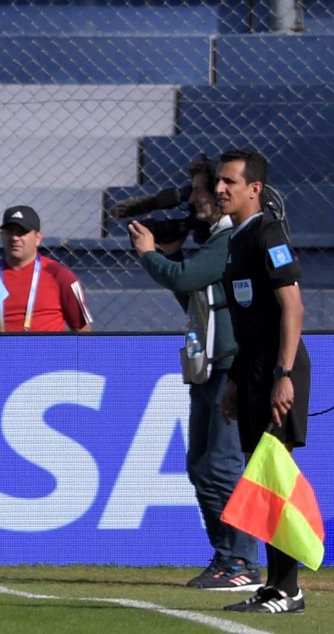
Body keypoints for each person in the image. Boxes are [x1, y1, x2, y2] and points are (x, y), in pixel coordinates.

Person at [128, 157, 261, 591]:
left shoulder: (229, 239)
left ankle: (242, 560)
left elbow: (187, 280)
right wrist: (171, 256)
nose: (197, 199)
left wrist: (151, 255)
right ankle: (225, 557)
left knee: (221, 466)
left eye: (200, 191)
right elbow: (196, 300)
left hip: (229, 366)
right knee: (200, 468)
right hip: (207, 364)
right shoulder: (215, 241)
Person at [214, 149, 312, 615]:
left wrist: (284, 374)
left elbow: (293, 308)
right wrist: (235, 379)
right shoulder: (236, 238)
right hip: (252, 369)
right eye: (218, 181)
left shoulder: (268, 232)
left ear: (254, 188)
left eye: (230, 181)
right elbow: (249, 320)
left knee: (276, 479)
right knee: (261, 480)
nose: (220, 189)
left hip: (277, 370)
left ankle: (290, 590)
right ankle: (275, 584)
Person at [0, 205, 92, 333]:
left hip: (46, 352)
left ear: (37, 238)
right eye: (9, 231)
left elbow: (82, 331)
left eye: (21, 232)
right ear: (2, 235)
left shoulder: (60, 276)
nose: (15, 238)